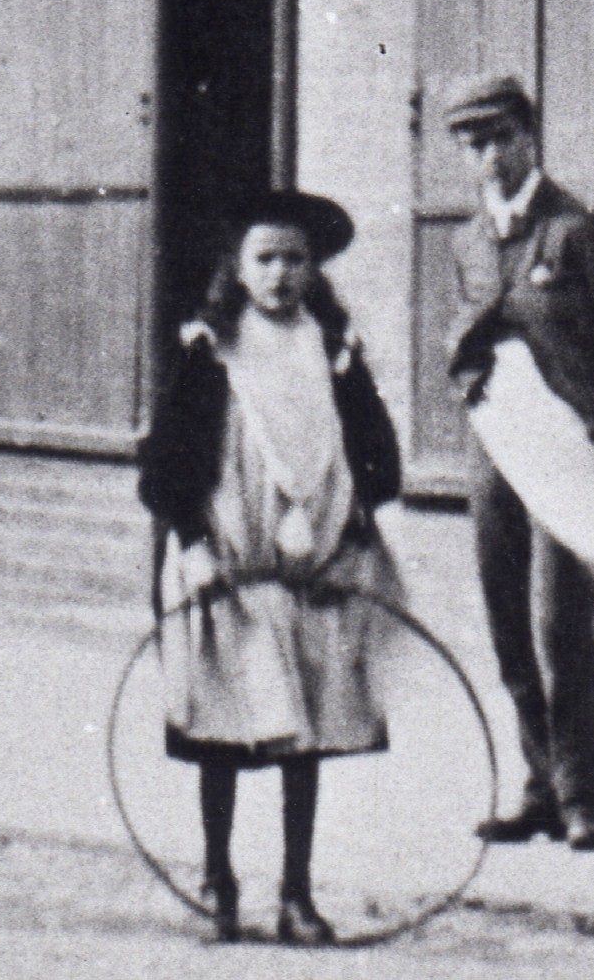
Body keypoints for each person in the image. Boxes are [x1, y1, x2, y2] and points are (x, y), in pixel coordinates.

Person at [136, 190, 405, 947]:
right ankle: (219, 876)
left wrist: (349, 538)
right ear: (239, 266)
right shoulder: (212, 347)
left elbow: (378, 459)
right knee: (227, 724)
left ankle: (296, 889)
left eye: (295, 258)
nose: (281, 273)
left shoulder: (332, 348)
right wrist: (193, 545)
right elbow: (166, 465)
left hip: (311, 564)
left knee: (307, 731)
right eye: (266, 258)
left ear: (314, 268)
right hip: (228, 557)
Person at [437, 69, 594, 852]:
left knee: (562, 622)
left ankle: (584, 797)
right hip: (496, 449)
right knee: (504, 618)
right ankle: (538, 785)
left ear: (529, 135)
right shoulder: (467, 241)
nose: (487, 157)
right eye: (471, 143)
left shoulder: (578, 233)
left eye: (498, 138)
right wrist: (471, 382)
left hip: (566, 450)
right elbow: (462, 337)